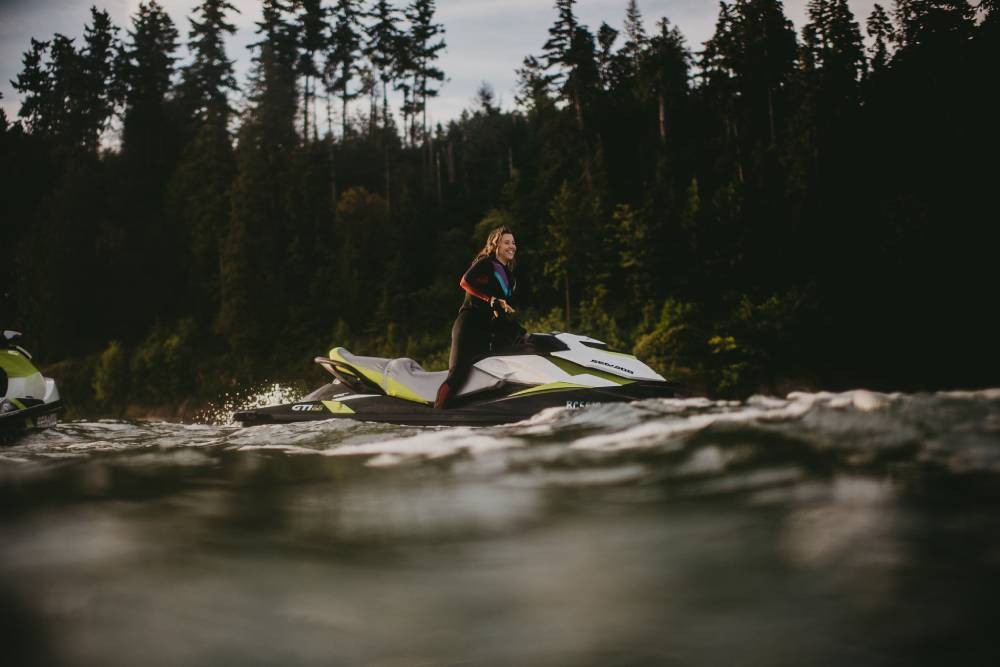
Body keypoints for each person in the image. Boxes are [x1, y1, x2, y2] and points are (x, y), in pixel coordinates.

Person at [435, 226, 524, 409]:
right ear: (496, 245)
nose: (512, 246)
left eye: (513, 243)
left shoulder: (510, 277)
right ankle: (438, 414)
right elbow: (465, 281)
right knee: (458, 374)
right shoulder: (486, 263)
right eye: (506, 242)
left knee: (499, 365)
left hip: (487, 328)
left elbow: (499, 305)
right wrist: (490, 299)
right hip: (468, 324)